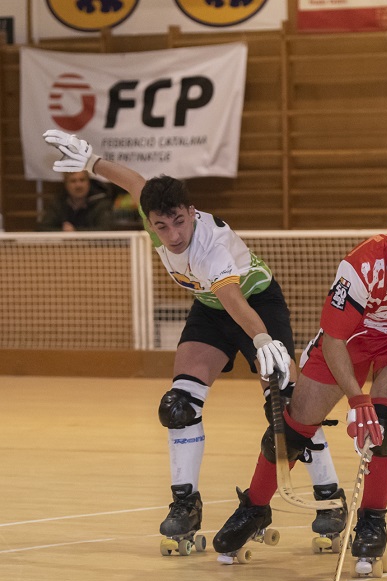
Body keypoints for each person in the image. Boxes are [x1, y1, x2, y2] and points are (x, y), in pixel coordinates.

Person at [42, 129, 347, 552]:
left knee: (289, 402)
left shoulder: (210, 246)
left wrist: (261, 337)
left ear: (191, 211)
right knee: (179, 405)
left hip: (256, 303)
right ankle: (185, 505)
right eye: (161, 226)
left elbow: (234, 298)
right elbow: (133, 181)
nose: (172, 235)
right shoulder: (155, 216)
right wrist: (93, 162)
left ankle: (330, 498)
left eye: (179, 222)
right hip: (210, 308)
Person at [213, 204, 387, 570]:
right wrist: (357, 397)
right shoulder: (360, 266)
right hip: (351, 339)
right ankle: (254, 509)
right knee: (290, 429)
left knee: (385, 428)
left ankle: (372, 521)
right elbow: (333, 339)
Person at [38, 170, 115, 231]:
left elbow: (105, 230)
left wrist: (76, 232)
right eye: (73, 181)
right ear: (66, 184)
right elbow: (43, 228)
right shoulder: (58, 203)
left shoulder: (101, 202)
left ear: (89, 182)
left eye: (82, 180)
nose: (78, 185)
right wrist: (63, 232)